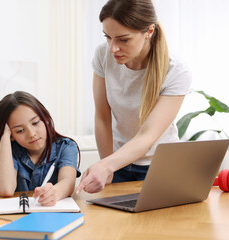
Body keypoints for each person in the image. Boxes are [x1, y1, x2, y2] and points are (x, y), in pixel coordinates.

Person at [76, 0, 191, 194]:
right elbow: (102, 116)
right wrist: (108, 165)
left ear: (149, 31)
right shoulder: (103, 55)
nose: (113, 48)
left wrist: (106, 165)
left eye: (123, 39)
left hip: (160, 167)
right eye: (108, 37)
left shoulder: (176, 71)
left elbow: (148, 135)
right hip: (119, 163)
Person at [0, 91, 81, 206]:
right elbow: (6, 189)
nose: (31, 134)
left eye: (35, 123)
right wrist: (4, 136)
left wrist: (53, 193)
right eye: (20, 130)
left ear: (45, 118)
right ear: (12, 136)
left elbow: (68, 181)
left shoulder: (66, 146)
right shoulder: (10, 152)